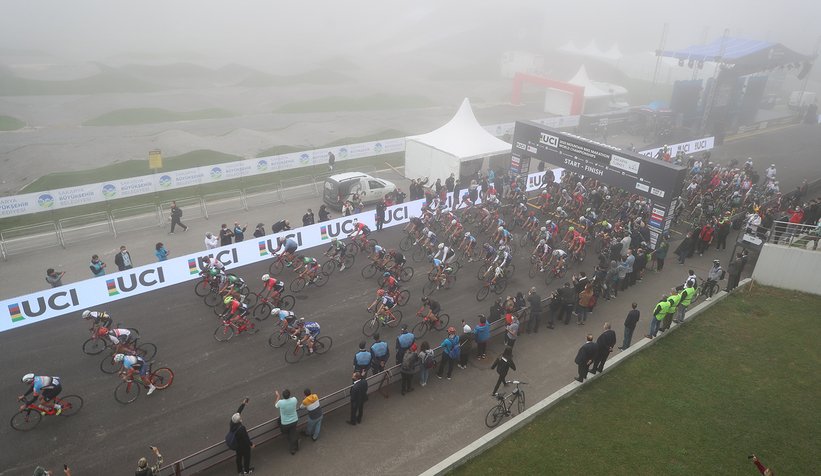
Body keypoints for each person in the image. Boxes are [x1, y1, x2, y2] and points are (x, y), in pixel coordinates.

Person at [229, 398, 254, 475]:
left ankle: (240, 471)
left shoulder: (232, 423)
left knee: (238, 457)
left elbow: (238, 412)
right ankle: (246, 470)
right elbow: (246, 438)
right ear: (239, 420)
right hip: (244, 446)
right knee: (247, 457)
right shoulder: (241, 428)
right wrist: (251, 444)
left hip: (237, 445)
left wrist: (243, 404)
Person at [274, 389, 299, 455]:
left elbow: (275, 405)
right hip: (294, 420)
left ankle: (292, 446)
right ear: (289, 395)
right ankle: (295, 448)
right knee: (293, 433)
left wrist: (278, 396)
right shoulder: (294, 399)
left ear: (283, 396)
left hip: (285, 423)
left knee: (288, 434)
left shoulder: (281, 402)